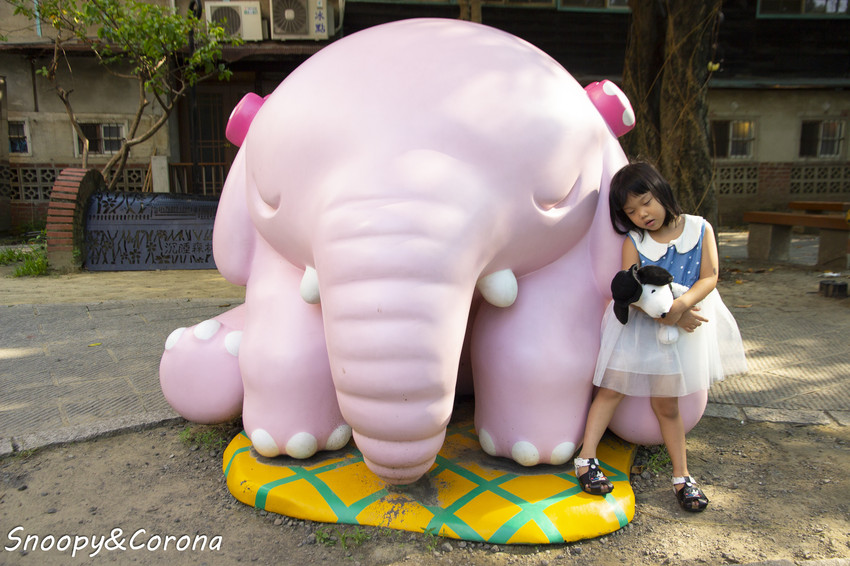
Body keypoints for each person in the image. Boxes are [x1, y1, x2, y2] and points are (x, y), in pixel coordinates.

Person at [574, 161, 747, 512]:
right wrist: (669, 316)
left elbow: (710, 276)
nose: (642, 214)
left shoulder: (700, 228)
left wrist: (679, 308)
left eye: (646, 202)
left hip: (679, 331)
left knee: (667, 405)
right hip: (637, 328)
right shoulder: (635, 240)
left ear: (661, 191)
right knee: (611, 390)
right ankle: (585, 458)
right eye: (631, 211)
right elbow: (629, 290)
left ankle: (682, 476)